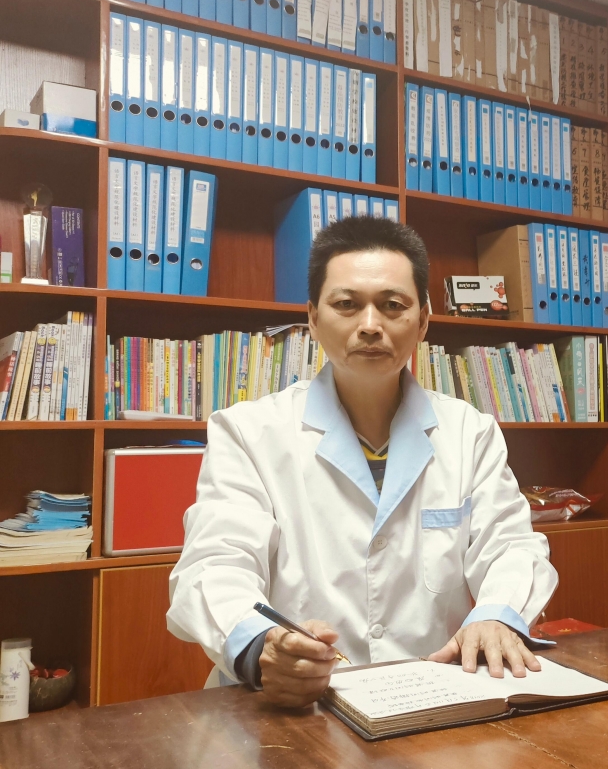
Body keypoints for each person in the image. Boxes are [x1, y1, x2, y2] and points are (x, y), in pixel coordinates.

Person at [167, 216, 558, 707]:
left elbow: (511, 546)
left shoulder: (469, 431)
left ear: (423, 320)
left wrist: (498, 613)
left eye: (393, 305)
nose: (370, 325)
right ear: (313, 318)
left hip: (431, 698)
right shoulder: (248, 432)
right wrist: (261, 645)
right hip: (292, 708)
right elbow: (214, 564)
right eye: (346, 304)